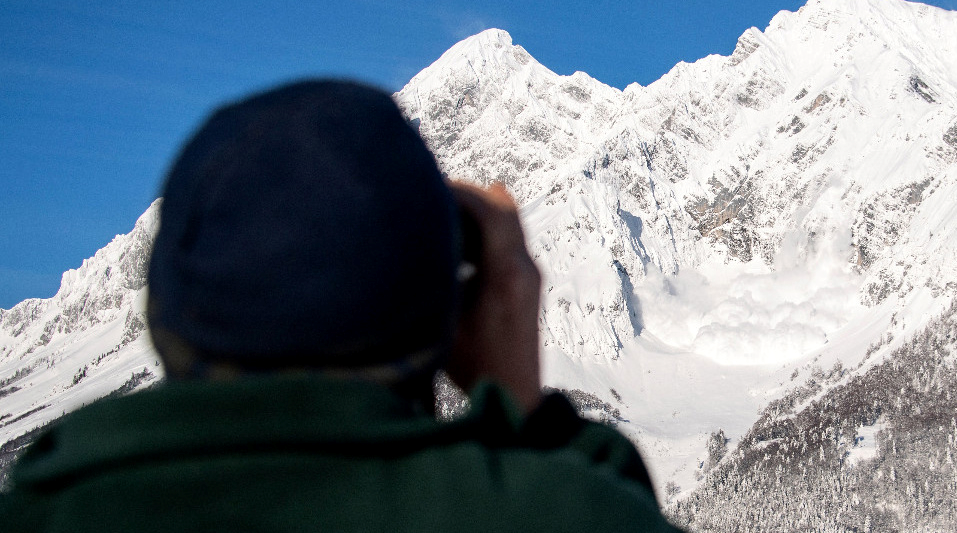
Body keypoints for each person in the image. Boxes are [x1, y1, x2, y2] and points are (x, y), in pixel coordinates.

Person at [0, 80, 682, 532]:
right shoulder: (565, 518)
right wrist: (523, 413)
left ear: (161, 314)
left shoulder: (39, 512)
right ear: (452, 312)